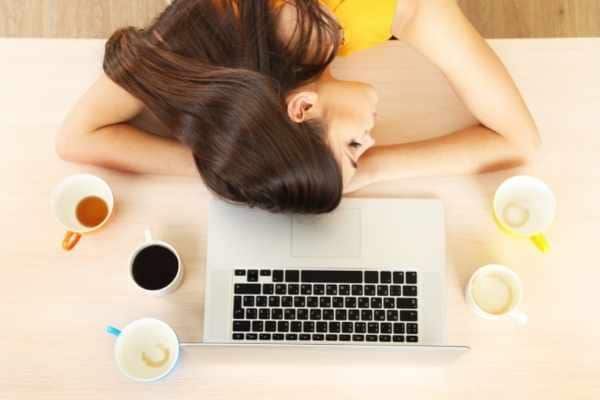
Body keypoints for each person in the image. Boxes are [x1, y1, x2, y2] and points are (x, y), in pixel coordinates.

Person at [56, 0, 539, 212]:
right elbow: (75, 138)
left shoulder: (395, 7)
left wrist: (365, 172)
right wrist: (244, 167)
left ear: (304, 107)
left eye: (354, 145)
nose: (371, 140)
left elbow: (520, 141)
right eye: (360, 149)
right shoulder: (207, 31)